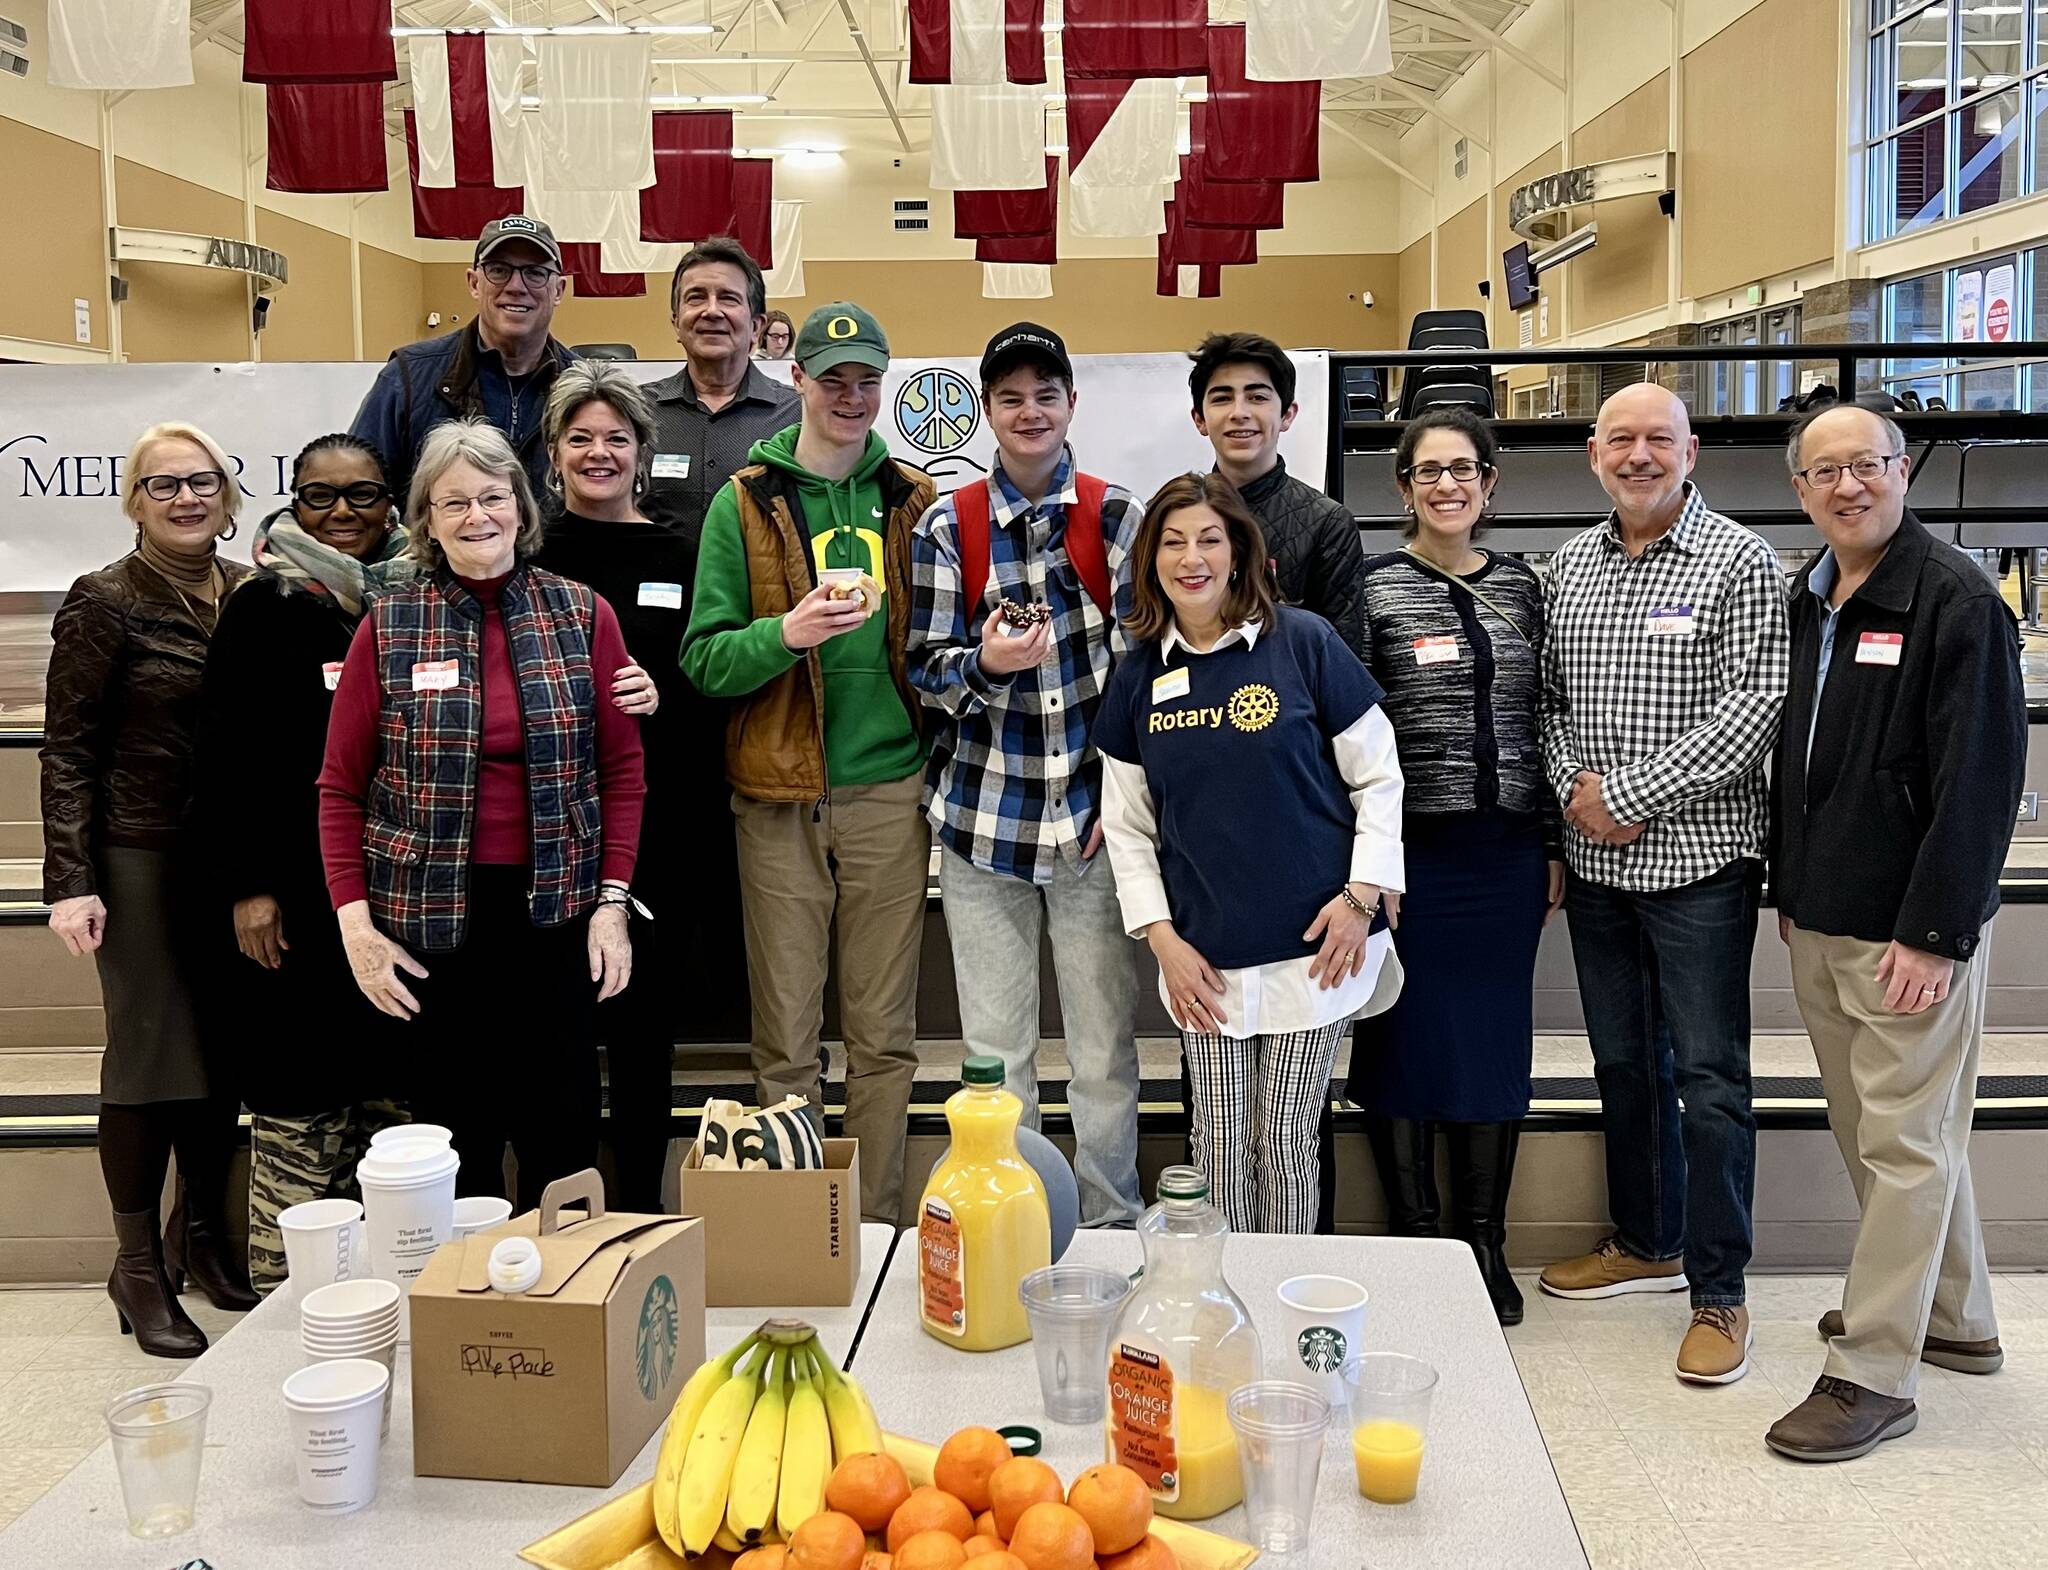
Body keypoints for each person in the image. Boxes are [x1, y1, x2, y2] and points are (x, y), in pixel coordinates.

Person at [1763, 404, 2024, 1461]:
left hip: (1907, 928)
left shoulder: (1953, 598)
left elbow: (1978, 782)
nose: (1845, 486)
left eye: (1863, 465)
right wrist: (1792, 887)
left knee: (1904, 1143)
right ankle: (1955, 1319)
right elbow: (1806, 753)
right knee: (1884, 1136)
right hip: (1824, 913)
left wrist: (1932, 930)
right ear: (1799, 489)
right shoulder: (1813, 592)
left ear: (1899, 469)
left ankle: (1873, 1369)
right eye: (1822, 471)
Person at [318, 420, 651, 1211]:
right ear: (426, 519)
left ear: (521, 505)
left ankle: (563, 1308)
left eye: (493, 496)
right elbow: (339, 787)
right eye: (454, 501)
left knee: (562, 1131)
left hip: (555, 916)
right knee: (453, 1139)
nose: (478, 517)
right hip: (432, 927)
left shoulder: (582, 614)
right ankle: (460, 1311)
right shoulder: (390, 624)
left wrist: (611, 907)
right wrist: (356, 928)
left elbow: (623, 773)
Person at [1535, 383, 1790, 1386]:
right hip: (1597, 866)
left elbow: (1755, 703)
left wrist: (1634, 793)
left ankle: (1719, 1293)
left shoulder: (1738, 562)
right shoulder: (1566, 568)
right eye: (1620, 441)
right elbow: (1545, 703)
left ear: (1691, 454)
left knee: (1710, 1080)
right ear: (1593, 456)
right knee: (1622, 1065)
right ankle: (1645, 1241)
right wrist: (1577, 796)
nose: (1637, 455)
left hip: (1699, 866)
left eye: (1658, 439)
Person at [680, 302, 936, 1225]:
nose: (851, 396)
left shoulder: (914, 500)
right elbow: (704, 659)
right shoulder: (743, 500)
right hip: (779, 792)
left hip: (887, 791)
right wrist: (784, 635)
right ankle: (796, 1233)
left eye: (867, 379)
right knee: (785, 1042)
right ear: (797, 380)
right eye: (834, 379)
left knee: (884, 1039)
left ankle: (870, 1230)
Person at [1095, 473, 1404, 1234]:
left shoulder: (1303, 642)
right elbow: (1128, 826)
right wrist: (1162, 942)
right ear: (1150, 560)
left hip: (1317, 948)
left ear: (1239, 552)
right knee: (1220, 1146)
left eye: (1208, 539)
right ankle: (1225, 1306)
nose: (1190, 558)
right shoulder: (1138, 673)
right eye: (1171, 542)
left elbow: (1378, 773)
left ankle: (1284, 1298)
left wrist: (1362, 899)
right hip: (1203, 956)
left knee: (1288, 1141)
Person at [908, 322, 1146, 1227]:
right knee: (996, 1053)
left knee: (1102, 1051)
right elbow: (925, 670)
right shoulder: (949, 525)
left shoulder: (1115, 517)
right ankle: (1015, 1218)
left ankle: (1110, 1218)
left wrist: (1123, 804)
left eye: (1046, 394)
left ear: (1071, 405)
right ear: (987, 411)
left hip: (1090, 828)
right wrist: (988, 666)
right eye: (1010, 397)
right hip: (984, 829)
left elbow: (1148, 676)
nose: (1030, 411)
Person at [42, 422, 256, 1356]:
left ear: (227, 493)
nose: (184, 499)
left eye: (201, 482)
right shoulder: (104, 601)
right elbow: (69, 751)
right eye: (163, 485)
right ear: (134, 501)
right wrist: (70, 880)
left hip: (223, 858)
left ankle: (200, 1235)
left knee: (214, 1056)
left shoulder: (246, 592)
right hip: (135, 855)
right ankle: (136, 1264)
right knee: (148, 1058)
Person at [1346, 408, 1559, 1326]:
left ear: (1489, 485)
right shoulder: (1374, 589)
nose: (1447, 485)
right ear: (1403, 488)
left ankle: (1483, 1238)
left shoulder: (1526, 587)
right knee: (1401, 1035)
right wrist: (1363, 860)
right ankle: (1417, 1233)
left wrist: (1550, 838)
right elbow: (1347, 734)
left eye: (1464, 469)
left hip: (1504, 852)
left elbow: (1553, 716)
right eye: (1428, 471)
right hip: (1409, 855)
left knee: (1491, 1043)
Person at [194, 434, 417, 1294]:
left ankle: (390, 1296)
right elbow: (222, 760)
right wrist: (248, 888)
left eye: (362, 496)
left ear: (391, 503)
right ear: (292, 503)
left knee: (392, 1102)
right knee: (299, 1100)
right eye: (321, 498)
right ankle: (287, 1306)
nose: (343, 515)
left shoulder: (417, 600)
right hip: (289, 895)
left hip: (396, 894)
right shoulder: (264, 606)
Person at [535, 361, 745, 1212]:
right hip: (550, 827)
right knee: (559, 1032)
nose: (598, 453)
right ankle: (566, 1207)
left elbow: (717, 678)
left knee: (642, 1030)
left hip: (661, 827)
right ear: (553, 456)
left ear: (642, 452)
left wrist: (669, 696)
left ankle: (642, 1209)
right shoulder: (528, 554)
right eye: (580, 438)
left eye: (616, 438)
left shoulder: (682, 555)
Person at [1188, 329, 1366, 1232]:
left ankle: (1296, 1263)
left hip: (1303, 829)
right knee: (1219, 1120)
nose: (1240, 412)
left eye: (1258, 396)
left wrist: (1362, 876)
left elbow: (1343, 685)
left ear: (1288, 412)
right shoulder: (1177, 522)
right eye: (1222, 397)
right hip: (1211, 848)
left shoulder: (1325, 524)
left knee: (1291, 1118)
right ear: (1199, 416)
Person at [350, 216, 577, 505]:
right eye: (499, 270)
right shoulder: (407, 378)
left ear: (558, 290)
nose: (516, 286)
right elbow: (355, 491)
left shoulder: (586, 389)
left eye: (535, 273)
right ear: (474, 283)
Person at [642, 238, 803, 537]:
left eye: (729, 298)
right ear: (676, 322)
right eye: (696, 297)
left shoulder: (798, 416)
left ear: (756, 327)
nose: (712, 311)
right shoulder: (634, 413)